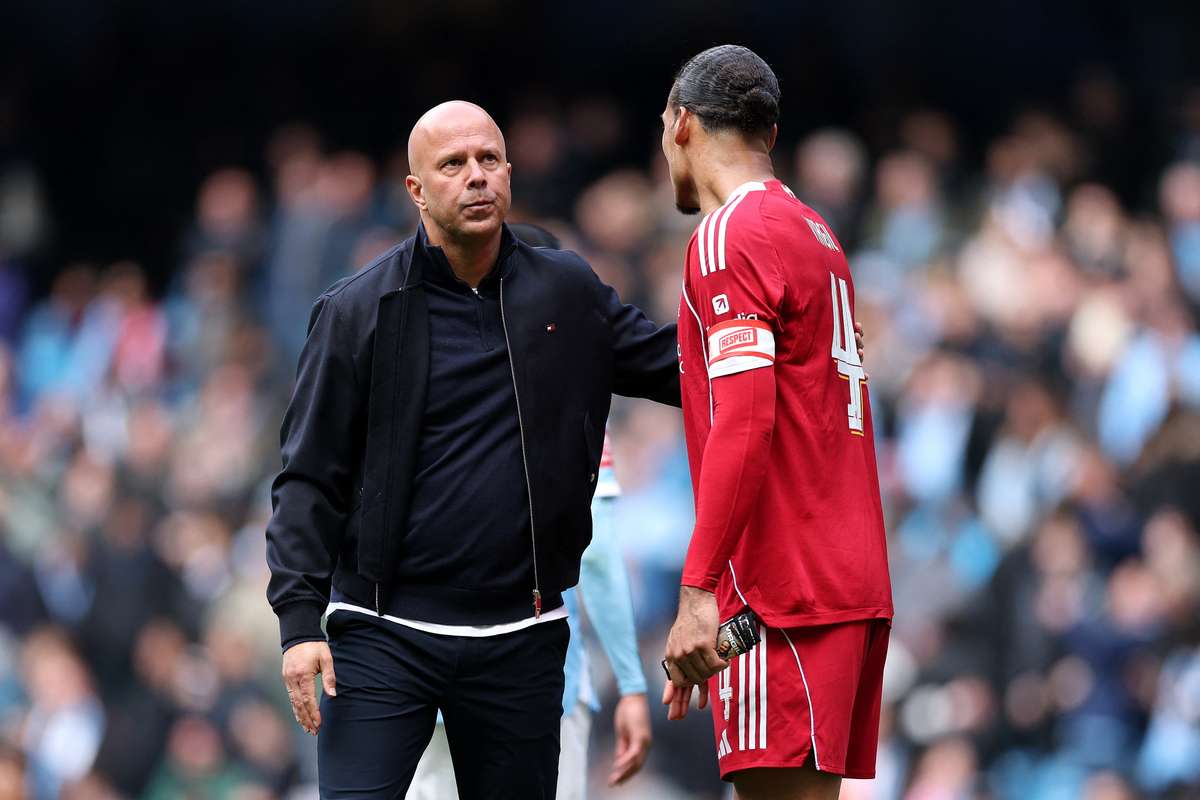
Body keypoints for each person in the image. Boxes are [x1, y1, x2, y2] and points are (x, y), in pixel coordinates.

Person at [264, 101, 679, 799]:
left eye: (488, 159)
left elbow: (677, 368)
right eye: (453, 165)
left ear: (510, 174)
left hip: (522, 634)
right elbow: (307, 477)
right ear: (416, 191)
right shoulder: (356, 311)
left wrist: (767, 337)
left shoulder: (567, 290)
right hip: (381, 633)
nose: (476, 176)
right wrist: (298, 622)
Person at [656, 46, 894, 800]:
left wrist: (700, 592)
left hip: (778, 594)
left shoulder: (729, 238)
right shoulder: (815, 234)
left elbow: (747, 421)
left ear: (682, 123)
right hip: (843, 582)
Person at [404, 225, 652, 800]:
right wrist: (632, 685)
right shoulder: (572, 407)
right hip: (537, 688)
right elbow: (600, 559)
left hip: (423, 680)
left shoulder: (434, 393)